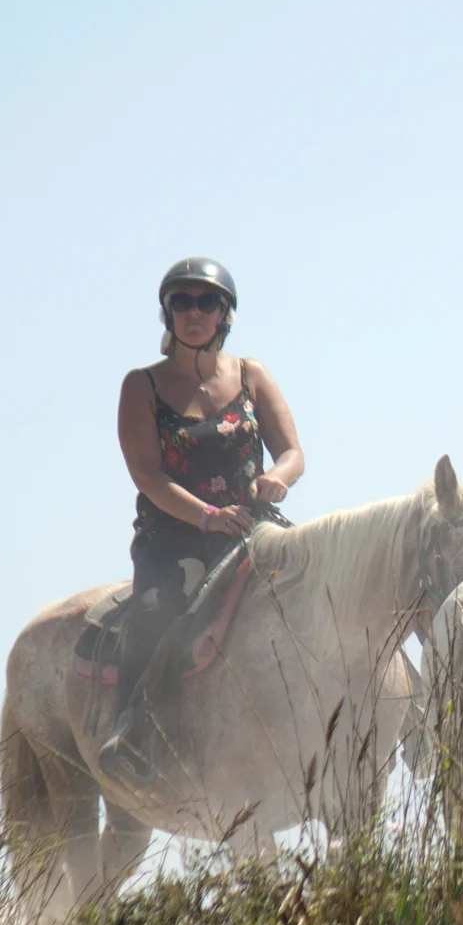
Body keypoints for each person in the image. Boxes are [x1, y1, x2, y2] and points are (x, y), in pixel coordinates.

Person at [98, 257, 305, 783]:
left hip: (253, 532)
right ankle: (134, 733)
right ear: (168, 314)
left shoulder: (252, 374)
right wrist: (208, 516)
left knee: (320, 586)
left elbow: (293, 452)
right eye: (182, 302)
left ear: (225, 314)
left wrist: (277, 478)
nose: (195, 311)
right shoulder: (140, 385)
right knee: (153, 612)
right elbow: (147, 475)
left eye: (207, 301)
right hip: (172, 537)